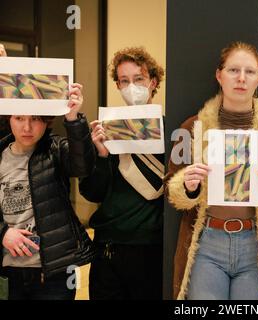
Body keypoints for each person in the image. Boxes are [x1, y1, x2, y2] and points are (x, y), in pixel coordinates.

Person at [165, 41, 258, 300]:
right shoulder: (191, 127)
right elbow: (172, 186)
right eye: (233, 70)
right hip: (207, 242)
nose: (241, 78)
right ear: (219, 75)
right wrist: (188, 186)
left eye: (250, 72)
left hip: (255, 243)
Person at [0, 44, 94, 300]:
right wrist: (3, 233)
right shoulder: (1, 154)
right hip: (10, 274)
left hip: (53, 273)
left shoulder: (56, 149)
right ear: (9, 118)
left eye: (36, 119)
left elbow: (82, 165)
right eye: (19, 118)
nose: (27, 127)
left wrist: (74, 118)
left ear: (47, 120)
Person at [79, 47, 165, 300]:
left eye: (138, 79)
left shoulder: (172, 131)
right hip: (108, 248)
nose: (132, 87)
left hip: (150, 248)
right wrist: (102, 156)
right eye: (124, 81)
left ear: (153, 82)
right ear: (117, 85)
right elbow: (92, 192)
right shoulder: (103, 131)